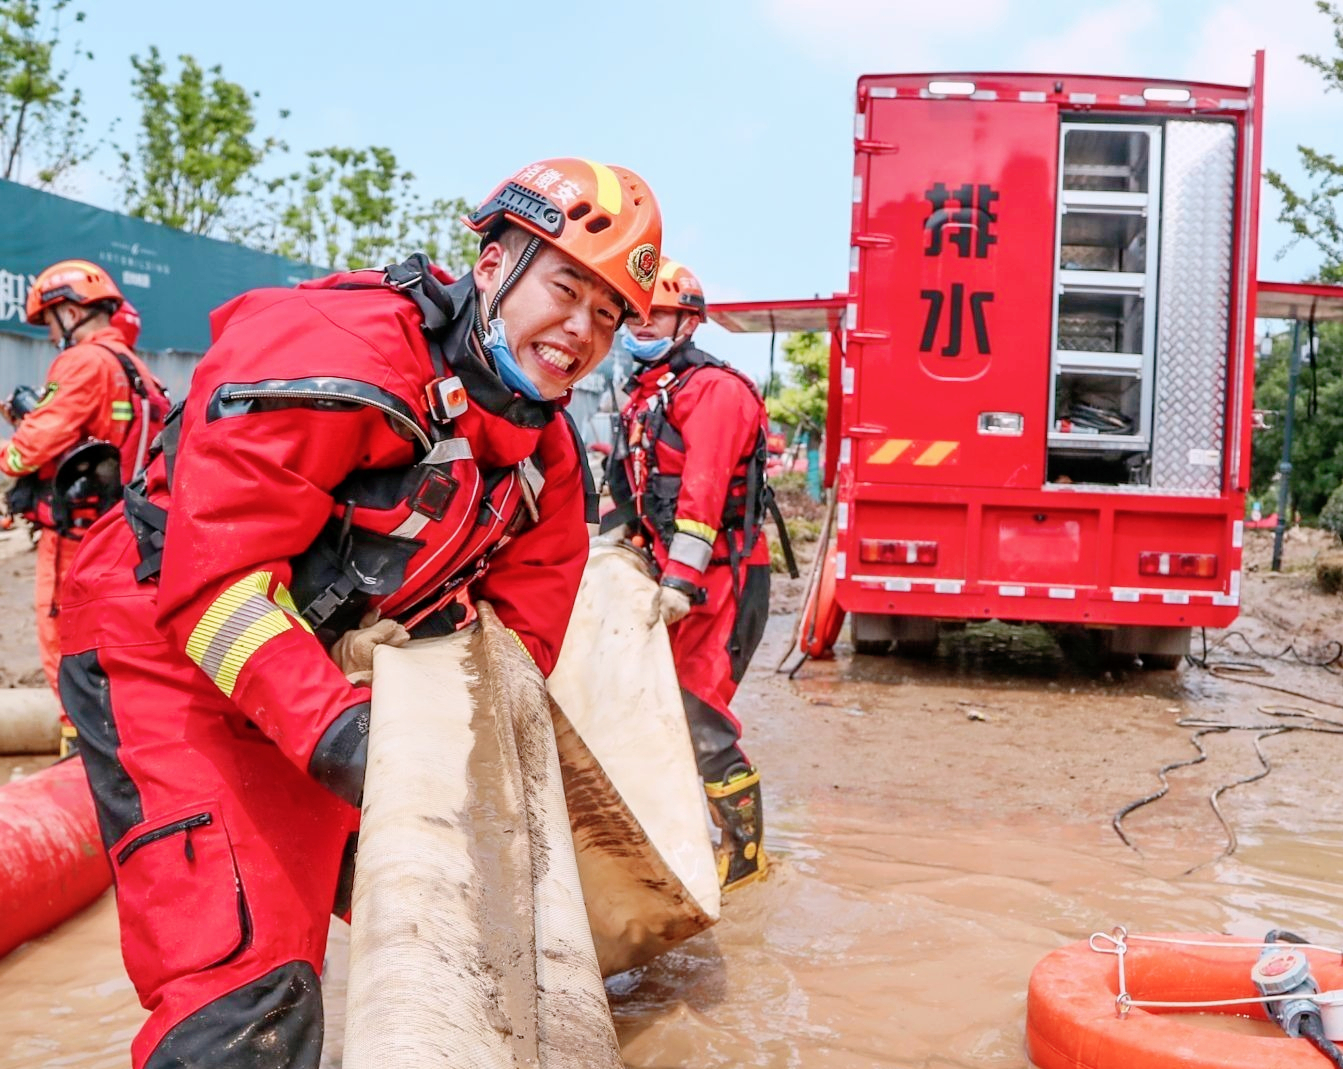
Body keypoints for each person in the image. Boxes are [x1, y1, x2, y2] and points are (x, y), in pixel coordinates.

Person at [57, 158, 662, 1069]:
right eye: (566, 286)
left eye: (609, 315)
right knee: (244, 990)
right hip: (161, 649)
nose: (581, 329)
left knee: (450, 920)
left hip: (319, 678)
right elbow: (211, 591)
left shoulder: (546, 456)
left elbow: (515, 644)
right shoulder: (338, 356)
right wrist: (357, 743)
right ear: (493, 262)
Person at [606, 257, 792, 892]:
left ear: (687, 321)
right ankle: (675, 835)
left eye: (653, 313)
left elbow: (703, 495)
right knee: (649, 711)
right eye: (632, 312)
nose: (639, 324)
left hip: (722, 581)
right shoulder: (645, 395)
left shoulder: (715, 391)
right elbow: (628, 492)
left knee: (696, 716)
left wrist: (681, 581)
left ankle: (744, 858)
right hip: (671, 581)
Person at [5, 261, 168, 734]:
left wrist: (13, 446)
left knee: (65, 645)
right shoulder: (137, 368)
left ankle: (77, 750)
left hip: (76, 539)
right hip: (125, 534)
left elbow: (27, 452)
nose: (52, 331)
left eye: (51, 319)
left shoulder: (81, 362)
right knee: (112, 647)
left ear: (71, 310)